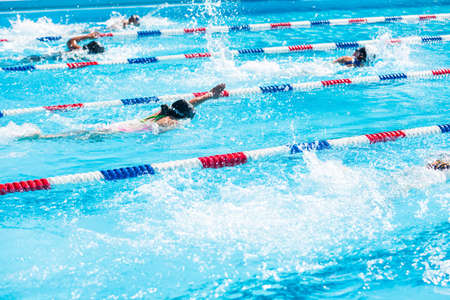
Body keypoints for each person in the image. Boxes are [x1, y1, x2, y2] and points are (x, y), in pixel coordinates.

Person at [30, 83, 226, 140]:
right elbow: (158, 130)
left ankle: (46, 136)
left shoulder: (167, 111)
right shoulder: (170, 121)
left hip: (120, 126)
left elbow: (190, 103)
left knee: (78, 133)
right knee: (79, 137)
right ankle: (42, 137)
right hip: (119, 133)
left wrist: (209, 95)